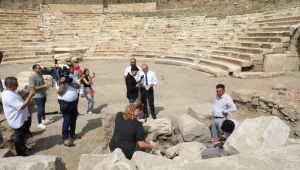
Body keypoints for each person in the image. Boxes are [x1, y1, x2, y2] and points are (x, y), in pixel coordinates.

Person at [2, 77, 35, 156]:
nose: (18, 85)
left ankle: (23, 147)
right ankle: (20, 153)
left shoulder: (12, 91)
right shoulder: (8, 95)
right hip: (16, 120)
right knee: (18, 137)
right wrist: (30, 96)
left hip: (21, 118)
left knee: (22, 135)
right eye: (16, 84)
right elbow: (22, 106)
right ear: (9, 86)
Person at [56, 69, 81, 146]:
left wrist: (69, 83)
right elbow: (60, 92)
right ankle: (65, 138)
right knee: (67, 120)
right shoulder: (58, 81)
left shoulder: (72, 77)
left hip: (74, 102)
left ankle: (72, 133)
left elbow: (78, 86)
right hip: (65, 104)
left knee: (73, 118)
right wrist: (64, 83)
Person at [28, 64, 52, 129]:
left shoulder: (40, 75)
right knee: (40, 109)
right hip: (37, 96)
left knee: (43, 108)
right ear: (35, 69)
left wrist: (46, 85)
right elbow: (32, 88)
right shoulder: (32, 77)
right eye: (39, 68)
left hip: (43, 94)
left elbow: (41, 84)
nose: (41, 69)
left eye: (40, 68)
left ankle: (44, 119)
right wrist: (43, 86)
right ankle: (39, 123)